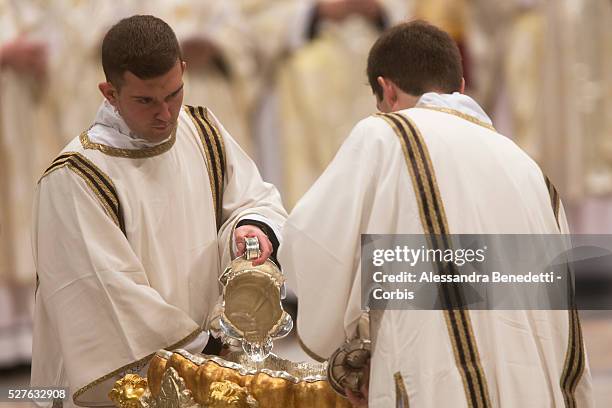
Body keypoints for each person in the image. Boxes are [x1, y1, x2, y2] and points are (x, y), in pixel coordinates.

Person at [279, 21, 593, 407]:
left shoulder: (385, 134)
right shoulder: (529, 169)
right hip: (532, 386)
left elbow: (312, 244)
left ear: (387, 90)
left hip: (435, 381)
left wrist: (347, 349)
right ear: (460, 86)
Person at [30, 15, 286, 407]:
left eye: (174, 94)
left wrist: (251, 230)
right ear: (109, 93)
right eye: (145, 100)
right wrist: (206, 349)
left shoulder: (203, 131)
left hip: (211, 368)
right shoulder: (76, 177)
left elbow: (255, 199)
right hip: (134, 381)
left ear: (183, 71)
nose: (165, 114)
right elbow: (108, 295)